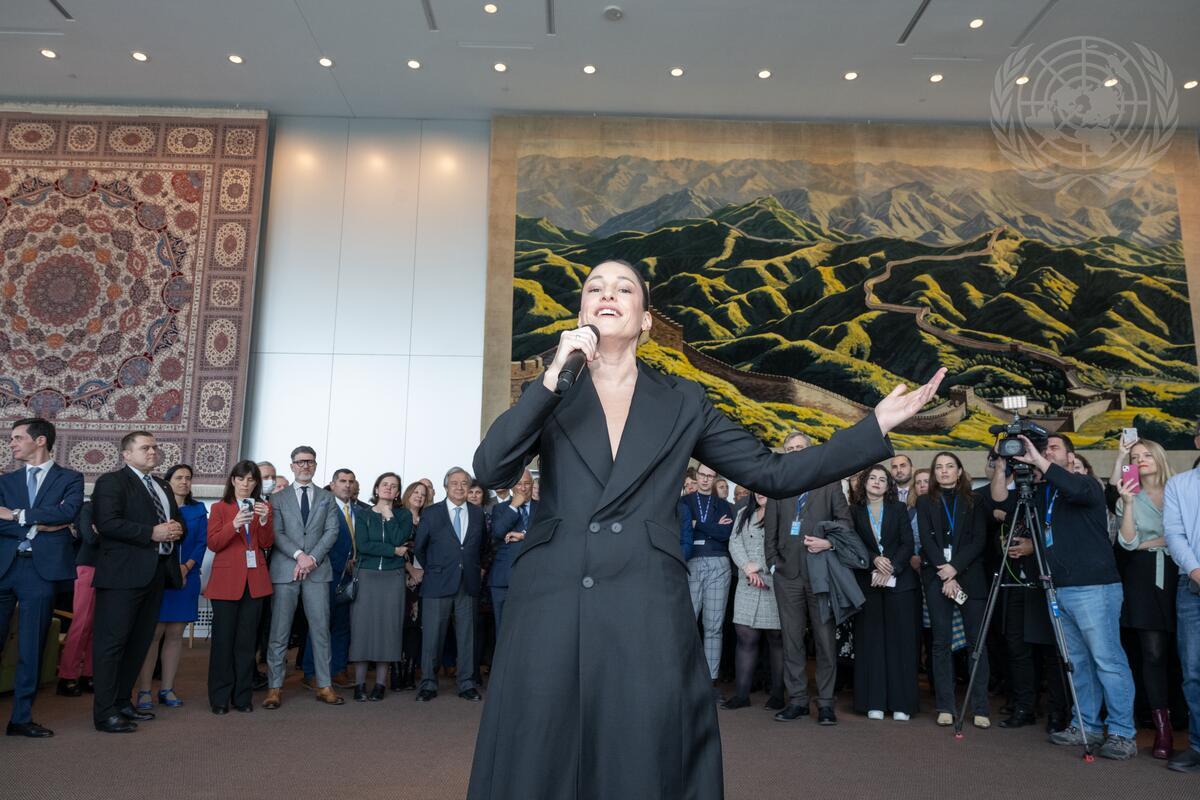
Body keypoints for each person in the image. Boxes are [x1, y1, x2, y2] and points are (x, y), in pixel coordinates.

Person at [467, 259, 943, 799]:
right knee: (543, 743)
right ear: (581, 312)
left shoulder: (683, 400)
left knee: (642, 743)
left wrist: (873, 426)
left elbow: (773, 473)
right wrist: (551, 378)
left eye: (624, 288)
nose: (607, 294)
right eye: (594, 287)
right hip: (552, 596)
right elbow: (491, 469)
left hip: (644, 594)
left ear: (647, 319)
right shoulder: (555, 390)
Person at [992, 433, 1138, 760]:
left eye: (1053, 448)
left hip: (1094, 588)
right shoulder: (1045, 493)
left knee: (1107, 661)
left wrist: (1037, 458)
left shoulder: (1087, 485)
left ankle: (1122, 733)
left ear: (1071, 457)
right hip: (1058, 589)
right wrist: (1002, 464)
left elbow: (1071, 486)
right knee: (1078, 664)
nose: (1045, 452)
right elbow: (1001, 501)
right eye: (1043, 448)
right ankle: (1086, 726)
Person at [90, 431, 184, 733]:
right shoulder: (112, 482)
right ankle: (104, 713)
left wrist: (177, 529)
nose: (153, 452)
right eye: (145, 448)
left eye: (155, 447)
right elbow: (107, 523)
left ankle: (122, 702)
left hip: (156, 574)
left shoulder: (162, 485)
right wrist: (151, 533)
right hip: (121, 575)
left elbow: (174, 520)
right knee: (112, 644)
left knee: (139, 642)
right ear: (127, 454)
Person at [0, 418, 84, 737]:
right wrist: (41, 525)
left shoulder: (71, 478)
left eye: (17, 437)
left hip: (40, 573)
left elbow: (68, 513)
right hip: (3, 567)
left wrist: (18, 515)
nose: (11, 443)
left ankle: (20, 719)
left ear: (40, 440)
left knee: (31, 648)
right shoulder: (6, 482)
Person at [763, 431, 851, 725]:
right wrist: (773, 566)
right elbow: (770, 533)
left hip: (821, 575)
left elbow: (845, 524)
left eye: (800, 447)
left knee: (825, 642)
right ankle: (798, 701)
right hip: (787, 577)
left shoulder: (829, 483)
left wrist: (829, 542)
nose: (796, 451)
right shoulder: (778, 486)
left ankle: (825, 704)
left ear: (810, 451)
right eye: (790, 448)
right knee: (792, 642)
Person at [263, 446, 343, 709]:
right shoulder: (277, 498)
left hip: (317, 571)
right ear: (292, 466)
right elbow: (276, 533)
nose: (305, 466)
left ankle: (324, 685)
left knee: (320, 630)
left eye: (310, 461)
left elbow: (332, 532)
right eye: (300, 462)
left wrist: (312, 559)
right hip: (285, 571)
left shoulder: (327, 497)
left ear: (315, 465)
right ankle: (274, 687)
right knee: (279, 631)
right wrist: (299, 556)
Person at [1112, 438, 1178, 758]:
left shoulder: (1181, 489)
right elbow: (1128, 543)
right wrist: (1129, 503)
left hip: (1183, 573)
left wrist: (1153, 541)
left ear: (1159, 457)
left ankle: (1184, 715)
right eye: (1135, 456)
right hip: (1143, 578)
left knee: (1183, 652)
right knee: (1152, 652)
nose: (1141, 460)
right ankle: (1162, 729)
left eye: (1147, 454)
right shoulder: (1129, 496)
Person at [918, 451, 990, 728]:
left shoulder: (975, 500)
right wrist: (945, 572)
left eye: (950, 466)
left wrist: (954, 569)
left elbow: (979, 540)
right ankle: (946, 706)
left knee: (976, 643)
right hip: (937, 577)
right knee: (940, 643)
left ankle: (980, 707)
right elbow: (927, 541)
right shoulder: (925, 501)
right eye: (939, 467)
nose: (944, 471)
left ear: (959, 471)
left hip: (970, 577)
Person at [135, 463, 207, 710]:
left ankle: (167, 688)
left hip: (188, 576)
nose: (184, 482)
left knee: (176, 634)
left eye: (188, 477)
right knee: (153, 635)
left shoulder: (198, 509)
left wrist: (185, 568)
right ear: (168, 482)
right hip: (158, 577)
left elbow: (202, 543)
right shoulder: (156, 506)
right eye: (178, 477)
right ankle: (145, 690)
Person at [849, 465, 918, 720]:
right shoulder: (853, 511)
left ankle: (902, 704)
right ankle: (873, 702)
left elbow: (907, 543)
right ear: (864, 483)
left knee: (900, 643)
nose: (877, 482)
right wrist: (873, 560)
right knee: (871, 642)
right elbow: (853, 543)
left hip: (899, 582)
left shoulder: (899, 509)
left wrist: (892, 567)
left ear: (888, 486)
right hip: (868, 582)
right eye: (872, 478)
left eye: (882, 479)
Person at [205, 460, 274, 714]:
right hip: (226, 582)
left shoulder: (263, 507)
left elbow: (266, 544)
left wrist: (264, 521)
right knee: (223, 642)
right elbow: (213, 543)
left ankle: (242, 697)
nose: (246, 484)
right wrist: (233, 525)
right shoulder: (219, 508)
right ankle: (220, 698)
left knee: (247, 644)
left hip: (255, 582)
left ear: (256, 483)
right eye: (241, 478)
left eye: (251, 479)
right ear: (233, 480)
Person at [413, 467, 487, 702]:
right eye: (454, 483)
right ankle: (428, 684)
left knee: (467, 637)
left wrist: (477, 568)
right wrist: (435, 569)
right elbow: (420, 547)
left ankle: (466, 684)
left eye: (464, 483)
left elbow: (483, 547)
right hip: (437, 582)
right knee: (432, 637)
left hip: (468, 583)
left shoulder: (478, 513)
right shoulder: (431, 513)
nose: (459, 487)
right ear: (445, 486)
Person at [350, 472, 412, 701]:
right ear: (376, 489)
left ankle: (380, 684)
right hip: (367, 575)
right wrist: (392, 551)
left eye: (393, 486)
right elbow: (363, 545)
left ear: (397, 492)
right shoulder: (363, 514)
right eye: (384, 484)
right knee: (362, 628)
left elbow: (399, 538)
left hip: (393, 577)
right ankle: (359, 684)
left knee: (388, 629)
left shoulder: (403, 515)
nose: (388, 488)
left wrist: (389, 516)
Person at [722, 492, 783, 710]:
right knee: (745, 638)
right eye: (756, 488)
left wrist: (760, 566)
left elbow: (785, 546)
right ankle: (741, 695)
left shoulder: (782, 513)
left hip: (774, 583)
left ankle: (778, 695)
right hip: (747, 582)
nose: (759, 492)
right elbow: (734, 542)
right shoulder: (743, 513)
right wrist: (747, 567)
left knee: (776, 639)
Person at [679, 463, 734, 690]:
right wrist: (712, 526)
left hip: (718, 563)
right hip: (692, 563)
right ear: (696, 475)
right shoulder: (684, 503)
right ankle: (685, 677)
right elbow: (683, 532)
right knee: (687, 624)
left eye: (710, 476)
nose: (704, 479)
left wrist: (698, 524)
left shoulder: (724, 505)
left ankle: (711, 680)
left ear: (714, 479)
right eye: (702, 475)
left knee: (714, 626)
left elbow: (725, 533)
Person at [302, 468, 357, 690]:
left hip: (351, 577)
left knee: (343, 625)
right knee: (320, 624)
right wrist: (340, 562)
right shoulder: (322, 508)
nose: (347, 485)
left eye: (351, 481)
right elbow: (315, 540)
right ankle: (311, 671)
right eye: (342, 481)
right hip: (326, 573)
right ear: (333, 485)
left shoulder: (359, 510)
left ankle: (338, 669)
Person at [1164, 455, 1200, 772]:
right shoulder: (1179, 484)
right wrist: (1196, 571)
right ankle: (1198, 746)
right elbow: (1174, 535)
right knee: (1193, 671)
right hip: (1193, 586)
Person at [57, 499, 99, 698]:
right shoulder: (88, 507)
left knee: (98, 626)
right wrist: (115, 535)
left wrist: (103, 532)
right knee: (81, 624)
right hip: (87, 567)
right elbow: (89, 537)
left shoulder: (120, 510)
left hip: (111, 570)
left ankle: (88, 674)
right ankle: (67, 676)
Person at [392, 480, 429, 691]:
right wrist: (411, 570)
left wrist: (421, 572)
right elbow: (395, 545)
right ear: (407, 494)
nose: (419, 496)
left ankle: (410, 672)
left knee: (416, 626)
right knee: (398, 624)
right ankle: (396, 673)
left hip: (423, 579)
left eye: (423, 494)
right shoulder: (397, 516)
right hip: (400, 576)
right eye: (416, 492)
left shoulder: (429, 518)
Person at [488, 470, 535, 632]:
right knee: (504, 630)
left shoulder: (543, 508)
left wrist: (524, 536)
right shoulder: (501, 509)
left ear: (532, 485)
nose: (523, 488)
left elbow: (547, 534)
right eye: (519, 484)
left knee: (531, 630)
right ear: (512, 487)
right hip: (504, 580)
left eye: (527, 483)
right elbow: (498, 533)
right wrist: (514, 506)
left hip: (534, 579)